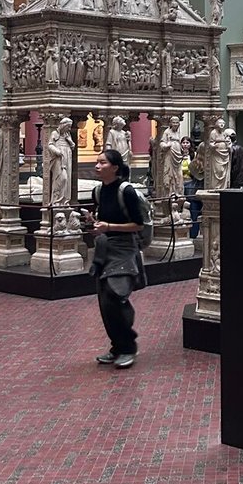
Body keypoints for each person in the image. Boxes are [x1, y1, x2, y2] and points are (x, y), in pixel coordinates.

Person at [89, 149, 145, 369]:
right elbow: (104, 220)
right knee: (104, 301)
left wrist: (109, 227)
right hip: (105, 250)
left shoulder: (127, 191)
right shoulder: (98, 191)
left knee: (116, 295)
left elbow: (138, 224)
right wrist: (96, 224)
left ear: (114, 167)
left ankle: (128, 346)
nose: (97, 165)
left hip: (124, 250)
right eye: (97, 162)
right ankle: (117, 347)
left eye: (102, 162)